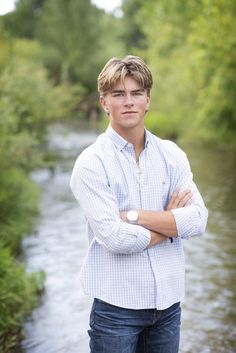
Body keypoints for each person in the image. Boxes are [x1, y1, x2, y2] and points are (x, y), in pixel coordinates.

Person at [70, 55, 208, 353]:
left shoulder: (172, 155)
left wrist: (134, 216)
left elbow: (197, 219)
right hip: (117, 311)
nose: (128, 101)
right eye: (119, 94)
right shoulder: (91, 163)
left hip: (169, 306)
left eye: (136, 93)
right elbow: (115, 238)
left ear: (148, 100)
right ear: (104, 102)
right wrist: (171, 225)